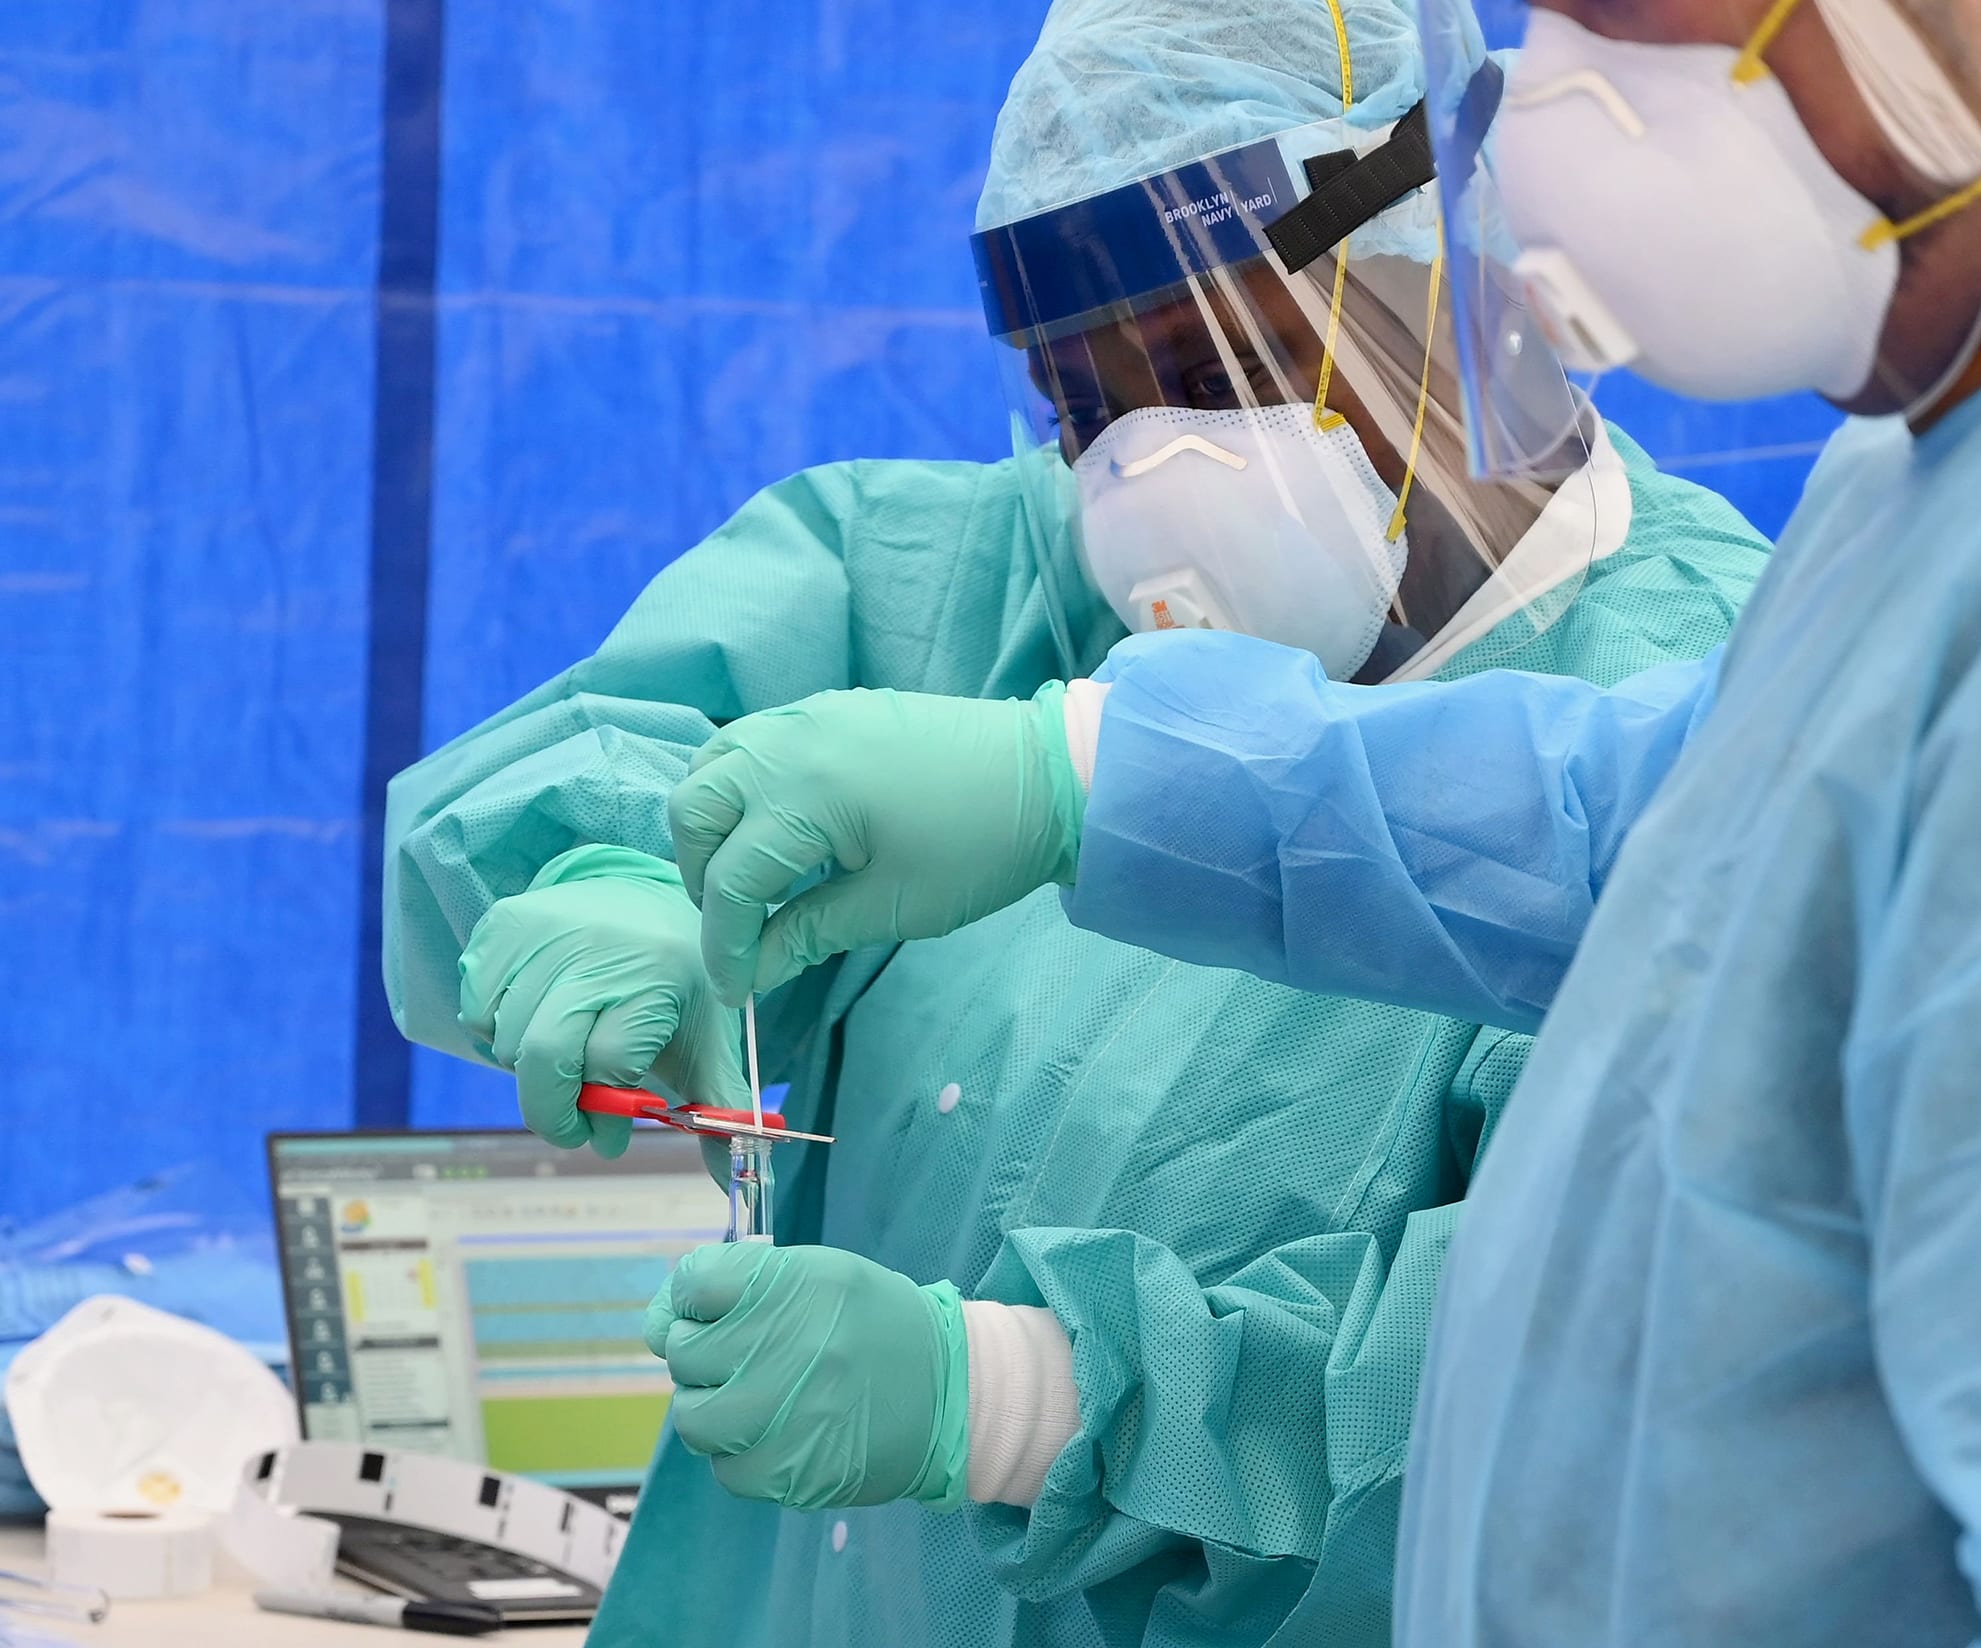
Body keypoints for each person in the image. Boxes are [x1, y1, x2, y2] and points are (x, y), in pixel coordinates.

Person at [654, 1, 1981, 1643]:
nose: (1543, 124)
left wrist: (1016, 1396)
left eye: (1623, 19)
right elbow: (1685, 826)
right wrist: (1091, 780)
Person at [381, 1, 1771, 1643]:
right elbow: (619, 742)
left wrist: (1029, 1397)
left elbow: (1589, 1392)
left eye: (1213, 369)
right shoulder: (1010, 588)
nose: (1143, 474)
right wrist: (622, 877)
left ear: (1458, 284)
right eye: (1074, 406)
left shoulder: (1714, 719)